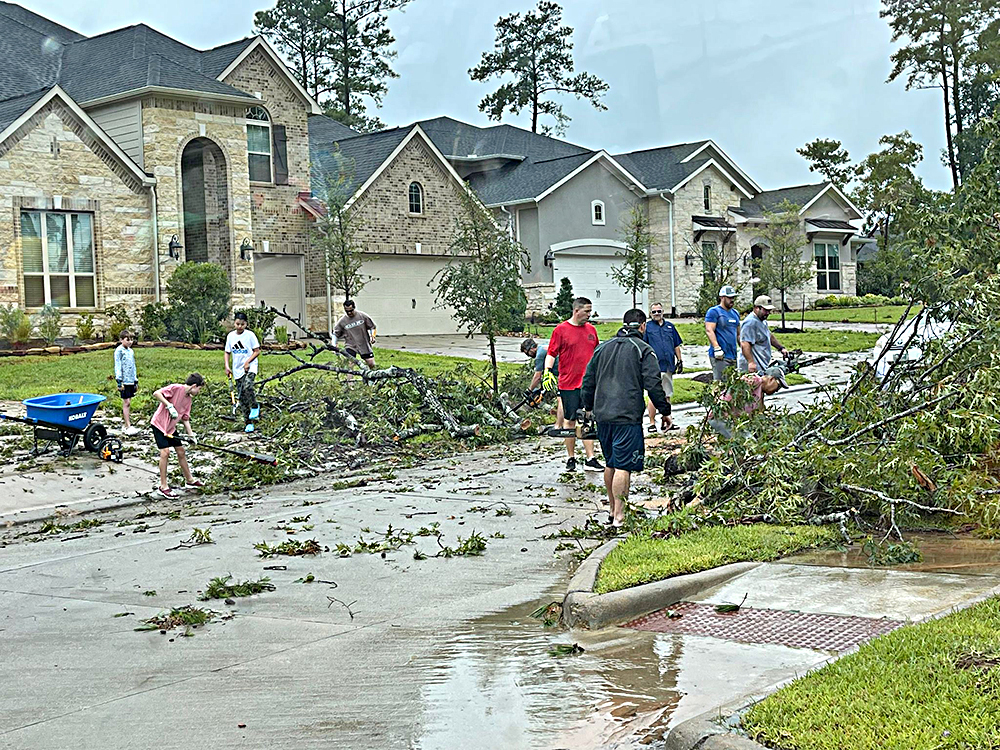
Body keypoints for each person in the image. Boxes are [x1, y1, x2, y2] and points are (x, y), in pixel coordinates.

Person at [581, 309, 671, 528]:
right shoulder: (643, 350)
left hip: (602, 415)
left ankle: (612, 511)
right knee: (623, 465)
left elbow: (587, 382)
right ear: (642, 326)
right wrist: (664, 411)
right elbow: (653, 384)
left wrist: (588, 408)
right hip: (627, 415)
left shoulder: (602, 348)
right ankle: (620, 517)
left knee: (610, 463)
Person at [545, 297, 603, 472]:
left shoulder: (591, 330)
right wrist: (547, 371)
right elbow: (551, 353)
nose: (589, 314)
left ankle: (590, 458)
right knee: (569, 421)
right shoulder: (561, 330)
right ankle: (571, 458)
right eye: (586, 311)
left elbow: (597, 354)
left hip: (588, 384)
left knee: (587, 420)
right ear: (576, 311)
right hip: (569, 383)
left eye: (590, 311)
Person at [150, 373, 205, 499]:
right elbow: (156, 393)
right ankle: (163, 487)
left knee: (181, 451)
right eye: (199, 389)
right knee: (165, 453)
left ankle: (189, 480)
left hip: (170, 428)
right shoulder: (176, 388)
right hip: (159, 424)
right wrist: (168, 405)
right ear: (194, 386)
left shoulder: (188, 399)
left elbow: (185, 419)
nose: (199, 392)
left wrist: (191, 436)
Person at [642, 303, 683, 433]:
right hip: (654, 366)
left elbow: (676, 344)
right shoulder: (647, 328)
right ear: (650, 314)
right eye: (654, 312)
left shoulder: (670, 326)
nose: (656, 314)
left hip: (668, 365)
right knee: (653, 395)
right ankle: (652, 422)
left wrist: (680, 360)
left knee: (667, 394)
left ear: (663, 311)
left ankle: (667, 420)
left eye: (659, 311)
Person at [224, 311, 261, 433]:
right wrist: (227, 366)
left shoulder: (250, 335)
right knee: (242, 397)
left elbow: (257, 351)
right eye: (237, 324)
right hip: (237, 369)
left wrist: (248, 362)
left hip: (250, 367)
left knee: (248, 387)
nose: (240, 326)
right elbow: (227, 352)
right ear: (234, 323)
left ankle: (255, 406)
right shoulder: (230, 336)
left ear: (246, 324)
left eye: (242, 324)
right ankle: (248, 423)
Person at [520, 338, 563, 427]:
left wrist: (529, 390)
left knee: (561, 399)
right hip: (568, 371)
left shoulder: (539, 355)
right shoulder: (543, 347)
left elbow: (537, 377)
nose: (528, 355)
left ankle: (559, 425)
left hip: (566, 373)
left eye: (527, 352)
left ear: (531, 348)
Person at [738, 295, 788, 373]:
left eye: (769, 310)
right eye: (765, 310)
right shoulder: (750, 323)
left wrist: (781, 348)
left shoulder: (762, 320)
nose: (768, 313)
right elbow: (745, 343)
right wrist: (751, 362)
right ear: (757, 308)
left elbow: (768, 336)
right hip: (753, 366)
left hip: (761, 364)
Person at [705, 285, 741, 381]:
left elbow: (738, 334)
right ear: (722, 297)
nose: (732, 300)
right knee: (721, 385)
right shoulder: (714, 312)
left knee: (732, 384)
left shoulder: (735, 313)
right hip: (720, 356)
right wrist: (716, 348)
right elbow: (709, 330)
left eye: (733, 297)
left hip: (732, 355)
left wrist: (744, 348)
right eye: (729, 297)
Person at [334, 299, 377, 368]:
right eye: (347, 311)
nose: (349, 313)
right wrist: (334, 344)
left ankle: (371, 377)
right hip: (350, 345)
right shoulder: (342, 321)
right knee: (350, 365)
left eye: (351, 311)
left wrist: (372, 336)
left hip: (363, 344)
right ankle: (349, 379)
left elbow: (372, 327)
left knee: (371, 364)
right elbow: (335, 334)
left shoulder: (362, 316)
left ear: (354, 308)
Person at [113, 329, 139, 435]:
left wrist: (135, 380)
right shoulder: (119, 351)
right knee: (126, 402)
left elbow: (133, 366)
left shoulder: (131, 351)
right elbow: (118, 366)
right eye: (127, 340)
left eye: (131, 340)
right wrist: (119, 381)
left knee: (129, 402)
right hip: (123, 380)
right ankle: (128, 425)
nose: (129, 342)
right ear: (121, 340)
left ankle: (126, 424)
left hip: (130, 380)